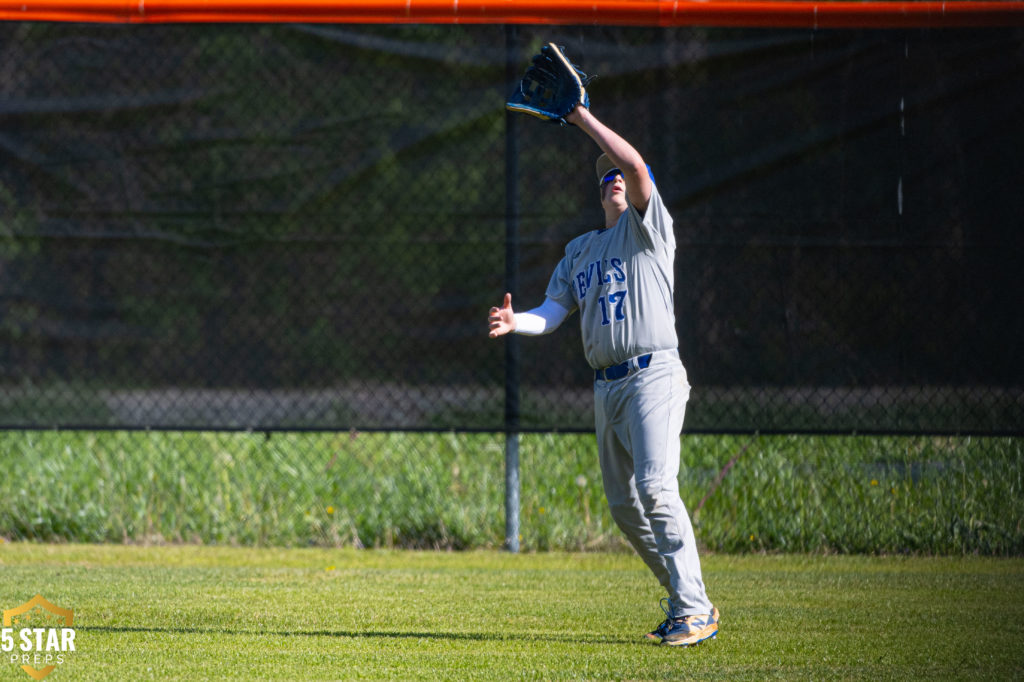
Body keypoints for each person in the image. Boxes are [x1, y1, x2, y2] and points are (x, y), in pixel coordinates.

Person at [487, 104, 718, 646]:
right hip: (607, 385)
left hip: (652, 374)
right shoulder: (580, 250)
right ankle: (688, 601)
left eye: (618, 175)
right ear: (597, 195)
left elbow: (635, 166)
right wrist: (515, 321)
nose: (614, 179)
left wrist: (580, 116)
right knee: (623, 506)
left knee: (656, 487)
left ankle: (694, 607)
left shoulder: (649, 228)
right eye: (604, 177)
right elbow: (552, 313)